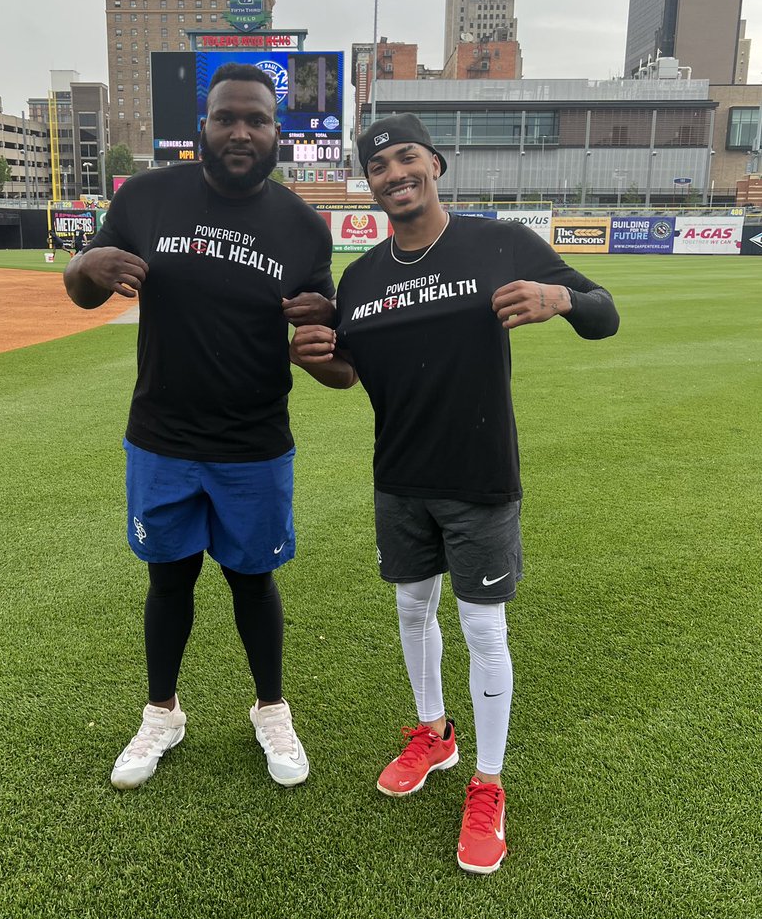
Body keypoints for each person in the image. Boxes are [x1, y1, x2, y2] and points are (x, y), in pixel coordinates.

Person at [291, 114, 619, 874]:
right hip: (399, 479)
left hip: (479, 478)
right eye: (378, 166)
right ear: (368, 184)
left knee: (483, 628)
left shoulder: (497, 242)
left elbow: (604, 311)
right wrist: (314, 361)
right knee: (411, 607)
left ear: (434, 164)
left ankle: (488, 783)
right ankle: (434, 734)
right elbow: (351, 372)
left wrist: (559, 299)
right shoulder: (361, 276)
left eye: (407, 157)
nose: (395, 173)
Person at [63, 62, 335, 792]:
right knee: (169, 580)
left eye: (257, 119)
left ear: (279, 132)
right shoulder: (147, 197)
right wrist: (89, 263)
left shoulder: (304, 228)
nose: (241, 131)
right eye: (227, 118)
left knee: (254, 582)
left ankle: (271, 708)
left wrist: (321, 345)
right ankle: (162, 712)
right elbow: (83, 290)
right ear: (202, 128)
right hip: (162, 437)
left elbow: (330, 348)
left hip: (253, 443)